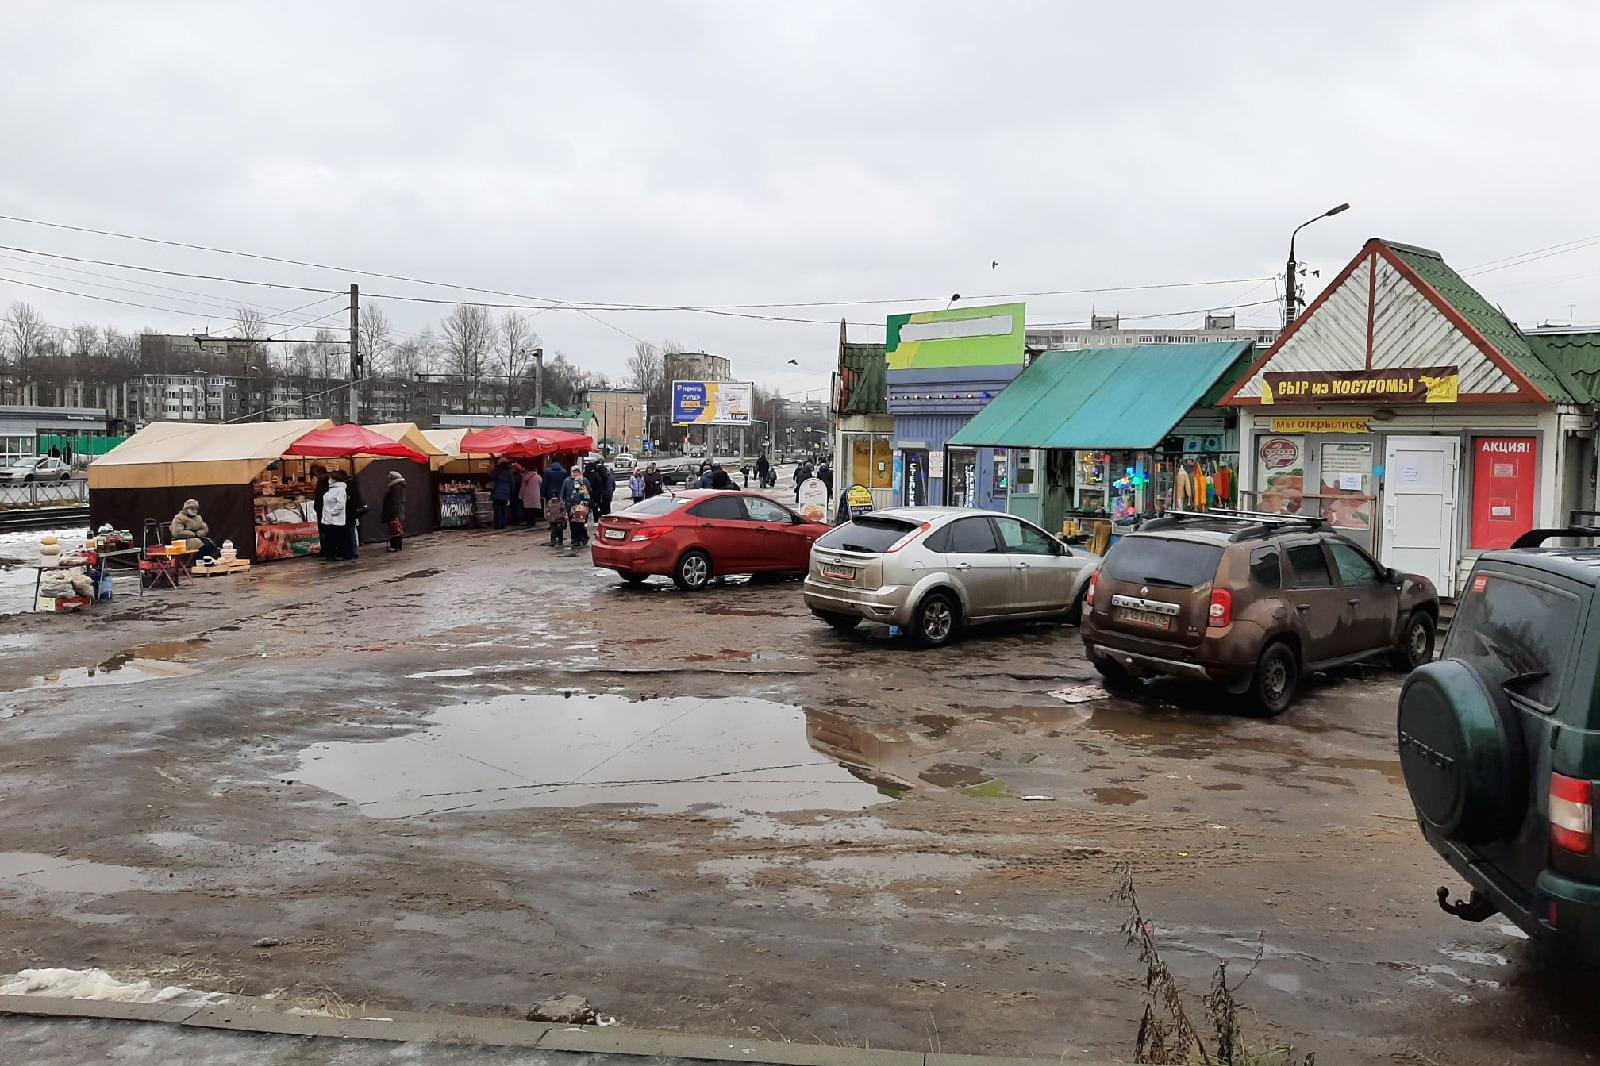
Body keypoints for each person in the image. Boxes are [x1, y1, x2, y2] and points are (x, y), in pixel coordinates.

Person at [562, 466, 592, 547]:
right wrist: (563, 503)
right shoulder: (567, 481)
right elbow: (563, 493)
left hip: (581, 507)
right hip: (570, 506)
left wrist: (586, 502)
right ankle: (575, 539)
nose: (575, 474)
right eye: (574, 472)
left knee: (581, 524)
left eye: (577, 472)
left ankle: (583, 537)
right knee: (573, 524)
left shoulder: (584, 480)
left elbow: (588, 493)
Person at [320, 474, 349, 561]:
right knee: (329, 538)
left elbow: (341, 504)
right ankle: (330, 554)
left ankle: (338, 554)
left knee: (336, 537)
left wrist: (332, 512)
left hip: (336, 519)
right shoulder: (330, 489)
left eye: (330, 478)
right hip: (328, 519)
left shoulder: (341, 490)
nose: (329, 480)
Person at [381, 470, 407, 552]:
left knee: (395, 529)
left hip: (394, 511)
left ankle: (396, 546)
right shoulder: (399, 486)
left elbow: (395, 501)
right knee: (396, 528)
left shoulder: (396, 487)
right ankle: (396, 546)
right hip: (396, 510)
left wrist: (392, 513)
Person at [345, 470, 368, 559]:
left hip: (350, 513)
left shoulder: (349, 487)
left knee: (350, 532)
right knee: (352, 532)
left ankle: (352, 551)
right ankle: (353, 551)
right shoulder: (353, 486)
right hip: (353, 513)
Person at [490, 459, 514, 529]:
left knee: (497, 510)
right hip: (506, 493)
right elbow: (512, 484)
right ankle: (503, 524)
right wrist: (511, 493)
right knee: (504, 509)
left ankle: (497, 524)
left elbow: (492, 476)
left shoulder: (498, 471)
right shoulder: (510, 472)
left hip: (497, 493)